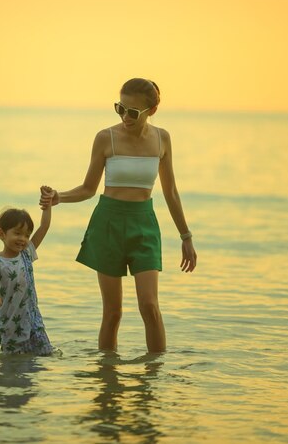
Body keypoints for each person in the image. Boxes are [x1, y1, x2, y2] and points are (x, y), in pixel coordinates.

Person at [40, 78, 197, 353]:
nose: (125, 116)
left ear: (152, 111)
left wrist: (186, 236)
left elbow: (171, 191)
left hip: (144, 226)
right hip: (108, 225)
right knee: (113, 313)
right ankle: (107, 383)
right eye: (120, 108)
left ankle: (153, 383)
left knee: (150, 307)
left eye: (133, 112)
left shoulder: (162, 139)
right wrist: (59, 197)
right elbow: (89, 188)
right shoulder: (105, 138)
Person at [0, 186, 55, 356]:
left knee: (45, 356)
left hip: (34, 321)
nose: (23, 239)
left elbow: (44, 227)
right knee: (14, 365)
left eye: (26, 235)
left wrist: (48, 204)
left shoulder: (26, 254)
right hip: (10, 325)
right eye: (17, 233)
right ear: (2, 234)